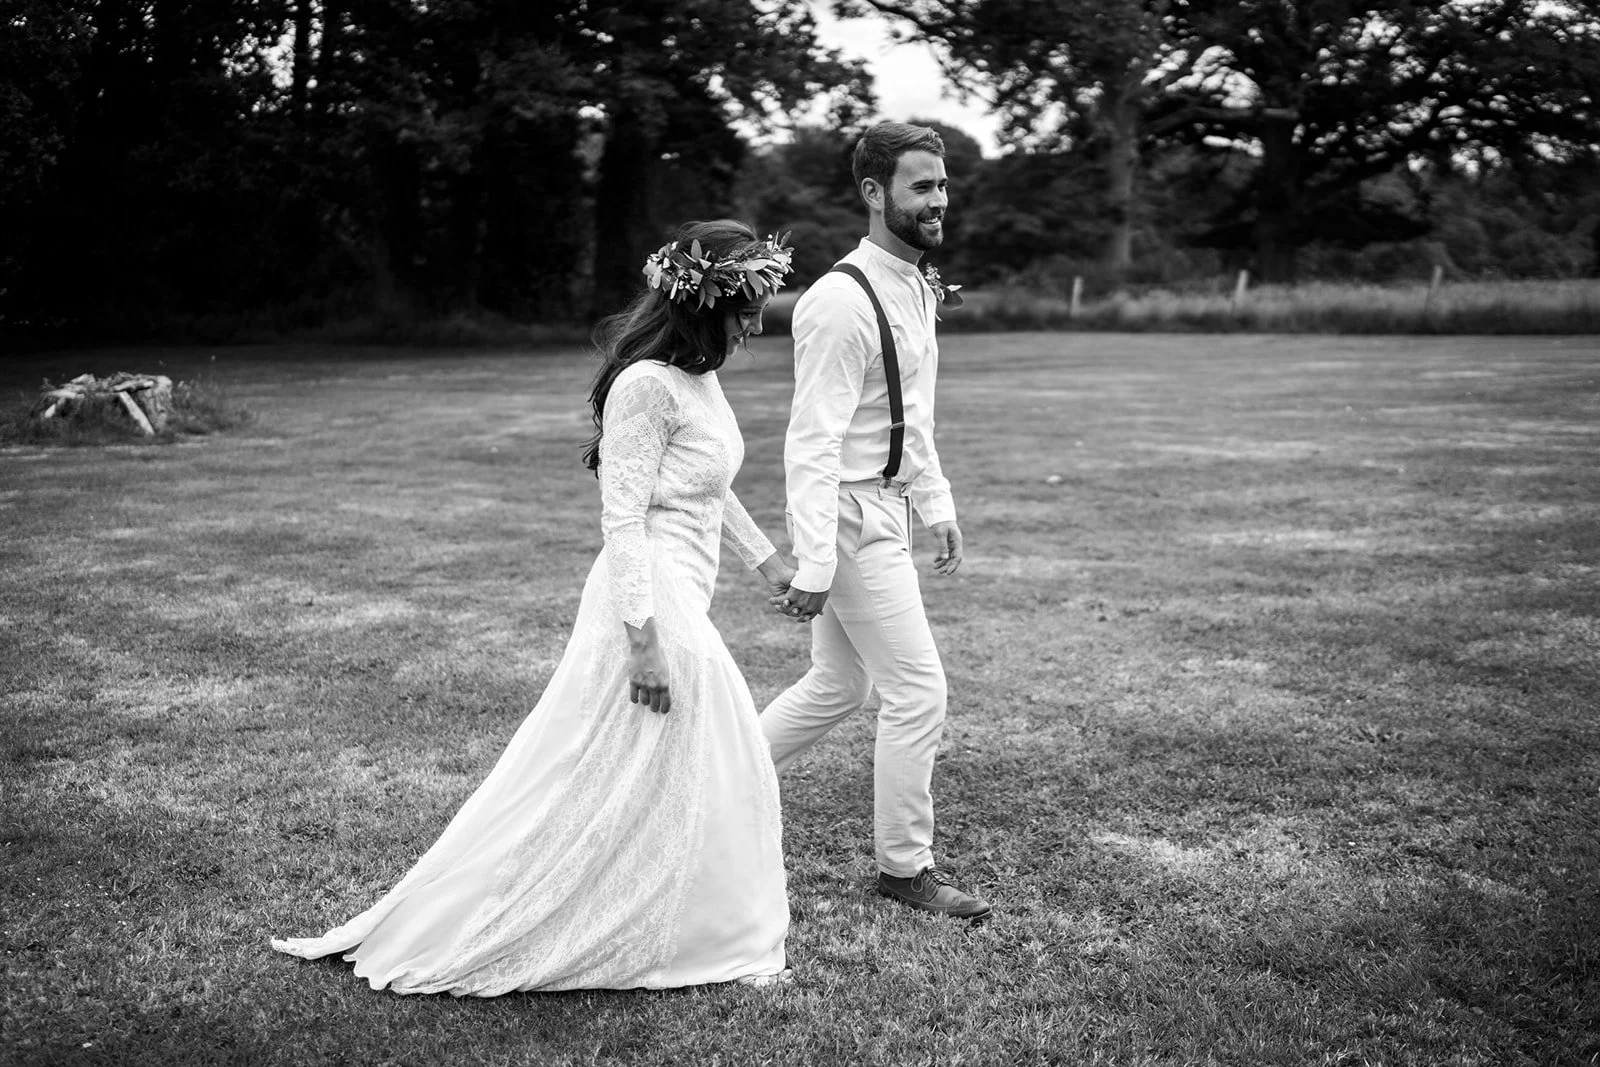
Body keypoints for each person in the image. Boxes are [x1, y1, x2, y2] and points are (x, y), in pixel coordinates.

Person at [271, 219, 800, 993]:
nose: (756, 325)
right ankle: (695, 933)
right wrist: (644, 643)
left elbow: (710, 485)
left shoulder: (699, 379)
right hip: (648, 597)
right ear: (703, 303)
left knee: (643, 765)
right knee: (717, 752)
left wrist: (767, 562)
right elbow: (622, 520)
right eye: (746, 309)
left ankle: (680, 919)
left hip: (685, 589)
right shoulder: (646, 386)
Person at [761, 122, 991, 921]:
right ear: (873, 193)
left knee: (839, 683)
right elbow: (812, 440)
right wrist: (816, 559)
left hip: (890, 504)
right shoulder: (838, 301)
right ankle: (904, 867)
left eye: (942, 185)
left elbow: (911, 413)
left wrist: (936, 503)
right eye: (921, 186)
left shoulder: (918, 285)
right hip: (849, 516)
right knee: (918, 691)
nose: (939, 200)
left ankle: (716, 776)